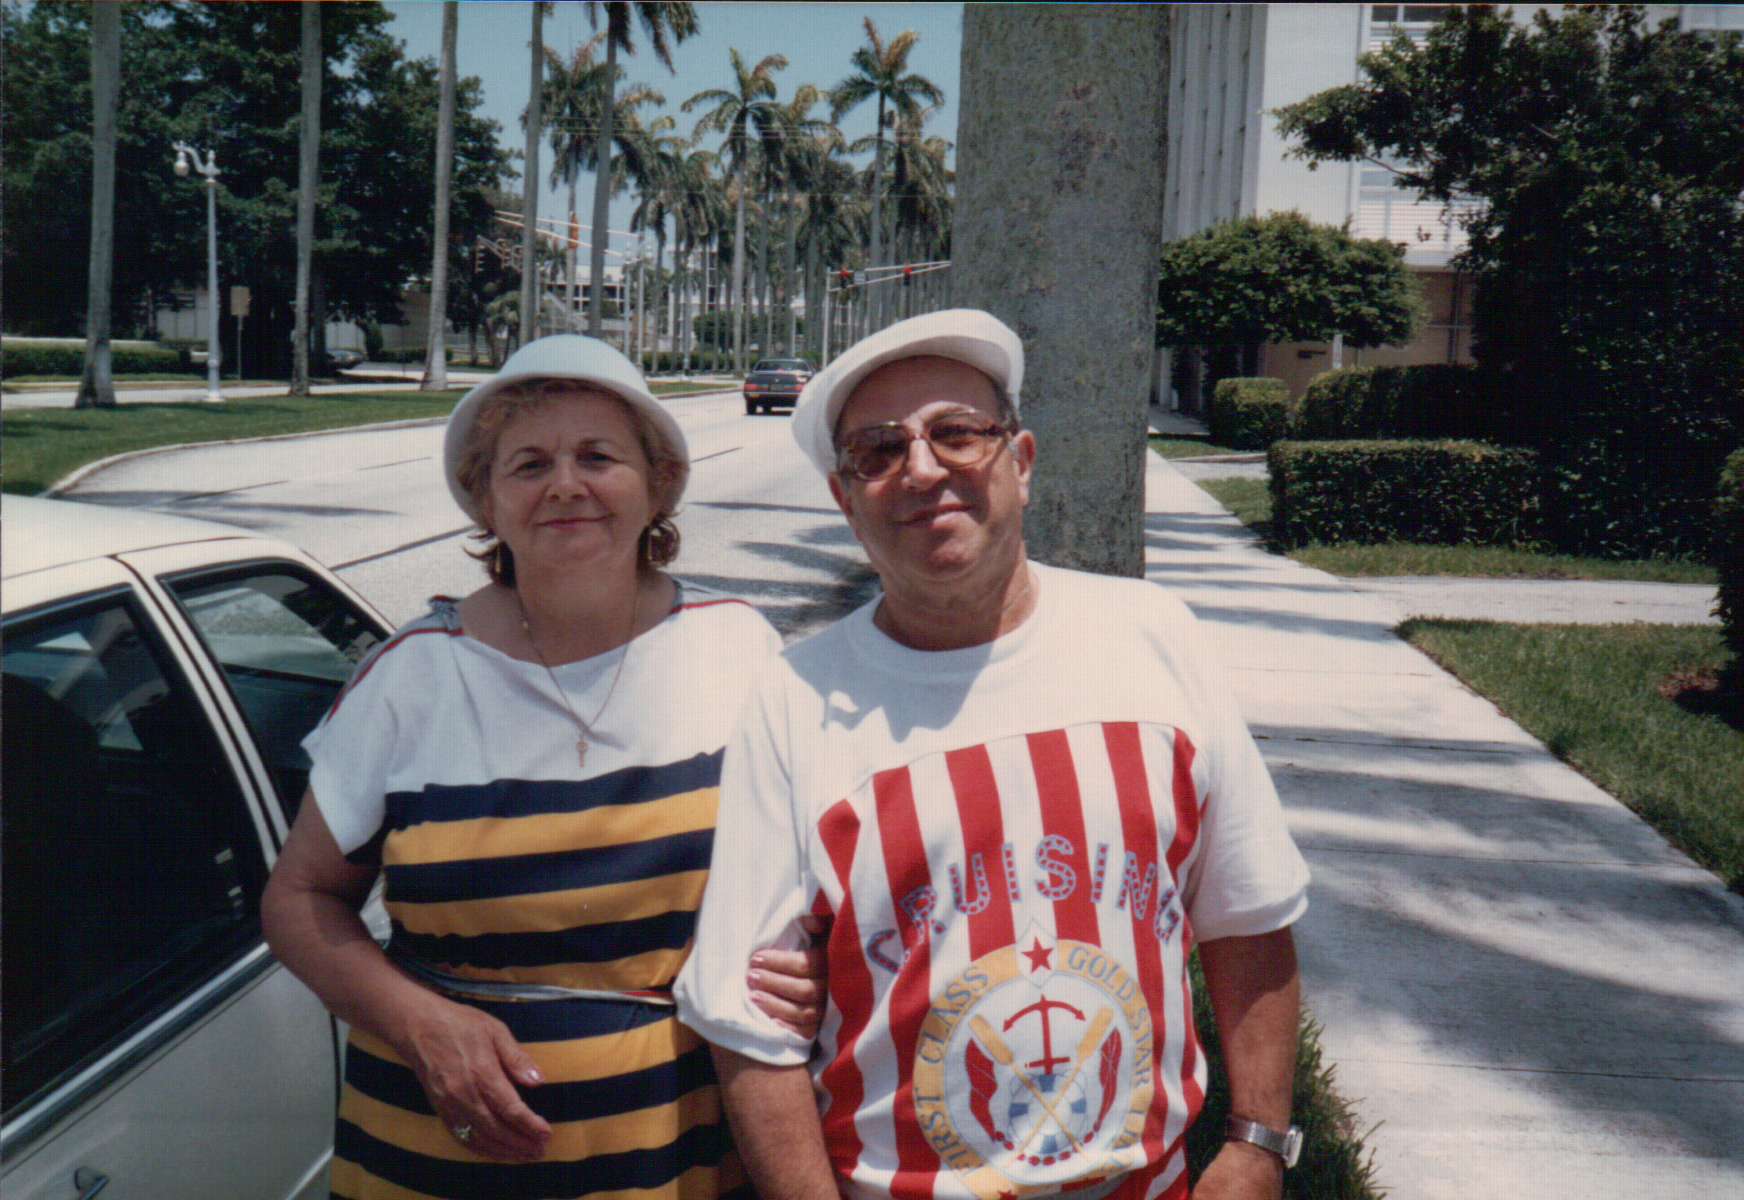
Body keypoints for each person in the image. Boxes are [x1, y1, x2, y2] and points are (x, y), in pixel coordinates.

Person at [674, 310, 1311, 1200]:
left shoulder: (1152, 637)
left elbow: (1248, 911)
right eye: (878, 451)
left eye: (957, 433)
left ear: (1021, 461)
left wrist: (1255, 1144)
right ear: (844, 497)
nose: (923, 468)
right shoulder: (796, 699)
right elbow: (745, 1022)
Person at [263, 336, 825, 1200]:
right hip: (434, 1154)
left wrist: (813, 958)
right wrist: (420, 1024)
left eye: (599, 456)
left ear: (657, 486)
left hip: (673, 1150)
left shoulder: (739, 649)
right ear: (486, 501)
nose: (566, 483)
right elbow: (298, 900)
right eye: (529, 464)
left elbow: (808, 876)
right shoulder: (410, 676)